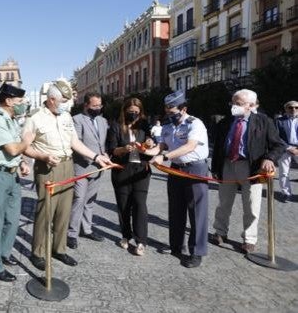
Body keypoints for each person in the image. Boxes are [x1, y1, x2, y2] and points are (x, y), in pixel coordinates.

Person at [23, 81, 112, 271]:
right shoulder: (35, 118)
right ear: (51, 99)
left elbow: (74, 142)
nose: (66, 104)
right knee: (46, 210)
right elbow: (25, 146)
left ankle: (59, 249)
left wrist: (96, 156)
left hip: (67, 165)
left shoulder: (66, 117)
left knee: (64, 210)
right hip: (47, 166)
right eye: (63, 100)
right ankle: (38, 252)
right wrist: (40, 156)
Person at [210, 89, 285, 253]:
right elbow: (217, 147)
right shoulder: (225, 122)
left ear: (250, 106)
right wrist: (216, 168)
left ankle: (249, 239)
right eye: (232, 102)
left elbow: (279, 145)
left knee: (251, 205)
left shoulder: (264, 121)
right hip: (228, 165)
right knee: (224, 203)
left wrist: (270, 158)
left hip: (251, 167)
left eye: (237, 103)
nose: (233, 106)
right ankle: (220, 232)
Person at [146, 90, 209, 268]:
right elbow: (160, 146)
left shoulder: (195, 124)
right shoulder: (167, 126)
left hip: (194, 168)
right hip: (175, 170)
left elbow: (190, 146)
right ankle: (175, 246)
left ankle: (196, 252)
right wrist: (145, 149)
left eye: (172, 112)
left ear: (183, 109)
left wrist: (164, 157)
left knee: (197, 211)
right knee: (176, 209)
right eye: (167, 111)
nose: (169, 115)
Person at [0, 84, 34, 282]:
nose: (23, 105)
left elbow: (15, 154)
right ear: (9, 101)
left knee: (12, 219)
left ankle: (3, 253)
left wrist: (23, 162)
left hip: (11, 175)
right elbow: (12, 149)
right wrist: (28, 140)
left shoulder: (11, 120)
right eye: (20, 102)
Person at [106, 98, 153, 256]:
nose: (134, 114)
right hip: (122, 170)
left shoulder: (144, 125)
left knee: (140, 204)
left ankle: (141, 241)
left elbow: (152, 142)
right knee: (124, 205)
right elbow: (112, 150)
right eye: (131, 112)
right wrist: (124, 149)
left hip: (141, 170)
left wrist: (149, 143)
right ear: (125, 111)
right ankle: (125, 235)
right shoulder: (116, 126)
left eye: (137, 112)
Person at [67, 92, 108, 250]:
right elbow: (76, 144)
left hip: (98, 168)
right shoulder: (77, 120)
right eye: (94, 106)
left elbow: (102, 144)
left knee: (90, 200)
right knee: (78, 199)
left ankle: (87, 229)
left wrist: (105, 154)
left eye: (100, 105)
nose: (98, 108)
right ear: (86, 105)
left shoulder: (103, 121)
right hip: (81, 167)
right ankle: (72, 233)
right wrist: (94, 157)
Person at [276, 100, 298, 203]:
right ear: (286, 109)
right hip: (284, 149)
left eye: (296, 107)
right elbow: (276, 136)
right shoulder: (279, 121)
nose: (293, 109)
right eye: (290, 107)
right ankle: (286, 193)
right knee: (284, 172)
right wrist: (288, 148)